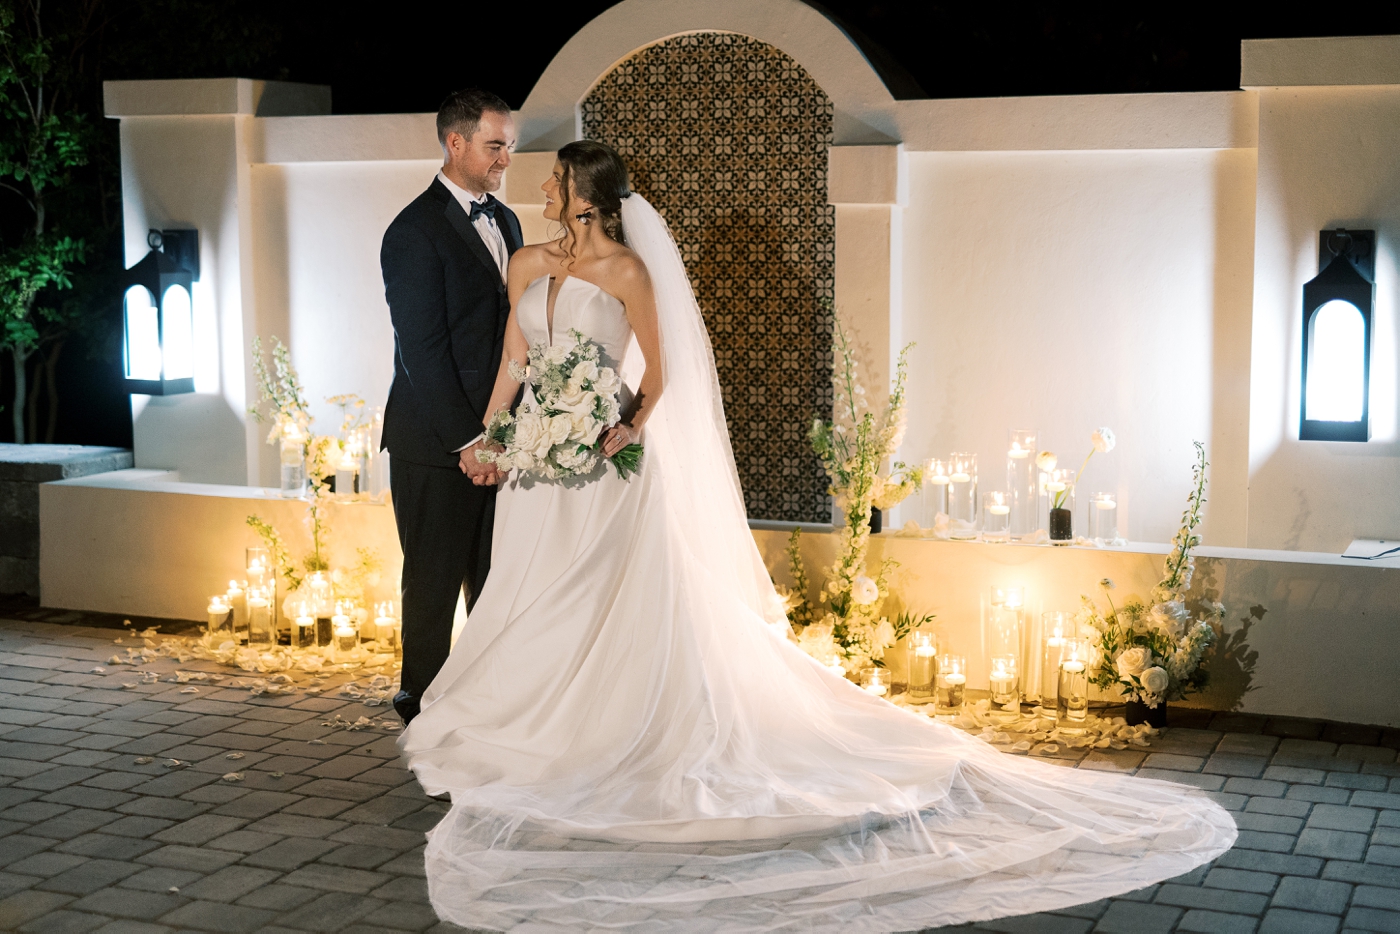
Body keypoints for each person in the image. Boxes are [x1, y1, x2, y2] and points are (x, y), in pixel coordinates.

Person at [400, 140, 1236, 932]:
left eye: (555, 180)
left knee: (601, 601)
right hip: (540, 476)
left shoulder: (628, 272)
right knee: (530, 591)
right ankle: (527, 722)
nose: (541, 189)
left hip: (605, 471)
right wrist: (489, 437)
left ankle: (593, 734)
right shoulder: (528, 262)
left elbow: (662, 372)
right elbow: (515, 358)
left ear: (585, 191)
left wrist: (626, 427)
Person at [379, 88, 521, 726]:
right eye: (495, 146)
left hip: (501, 440)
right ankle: (423, 716)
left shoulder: (509, 221)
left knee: (494, 588)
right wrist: (468, 442)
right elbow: (423, 352)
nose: (505, 159)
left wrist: (506, 434)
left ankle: (486, 714)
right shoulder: (412, 232)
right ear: (454, 142)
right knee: (433, 589)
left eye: (509, 146)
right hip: (435, 447)